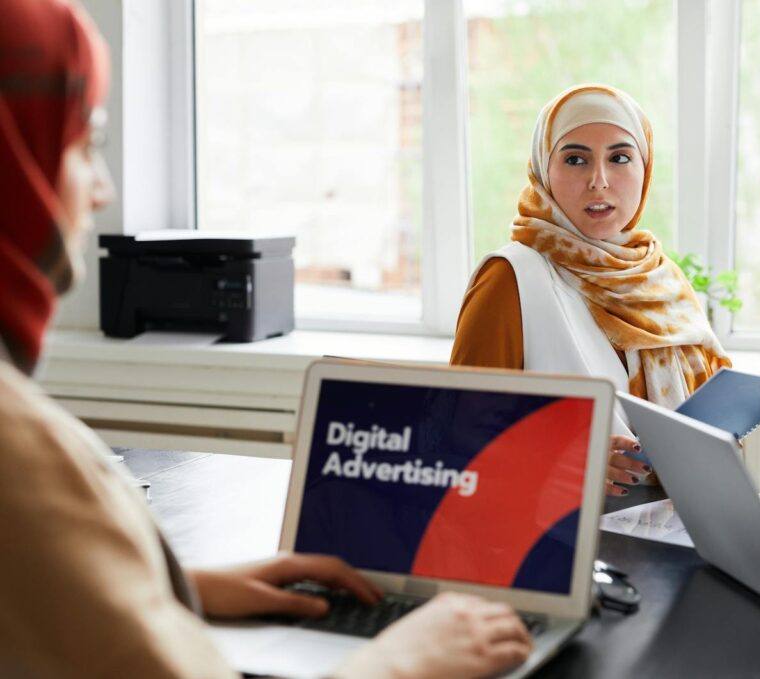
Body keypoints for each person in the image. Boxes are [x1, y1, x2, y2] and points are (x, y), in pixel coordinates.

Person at [0, 1, 531, 677]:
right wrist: (403, 659)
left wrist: (175, 588)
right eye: (85, 144)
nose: (102, 190)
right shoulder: (18, 447)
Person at [451, 84, 732, 497]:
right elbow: (455, 444)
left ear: (645, 168)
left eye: (619, 158)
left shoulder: (662, 281)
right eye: (576, 159)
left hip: (679, 524)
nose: (599, 181)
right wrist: (564, 462)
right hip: (560, 541)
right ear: (544, 172)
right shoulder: (509, 280)